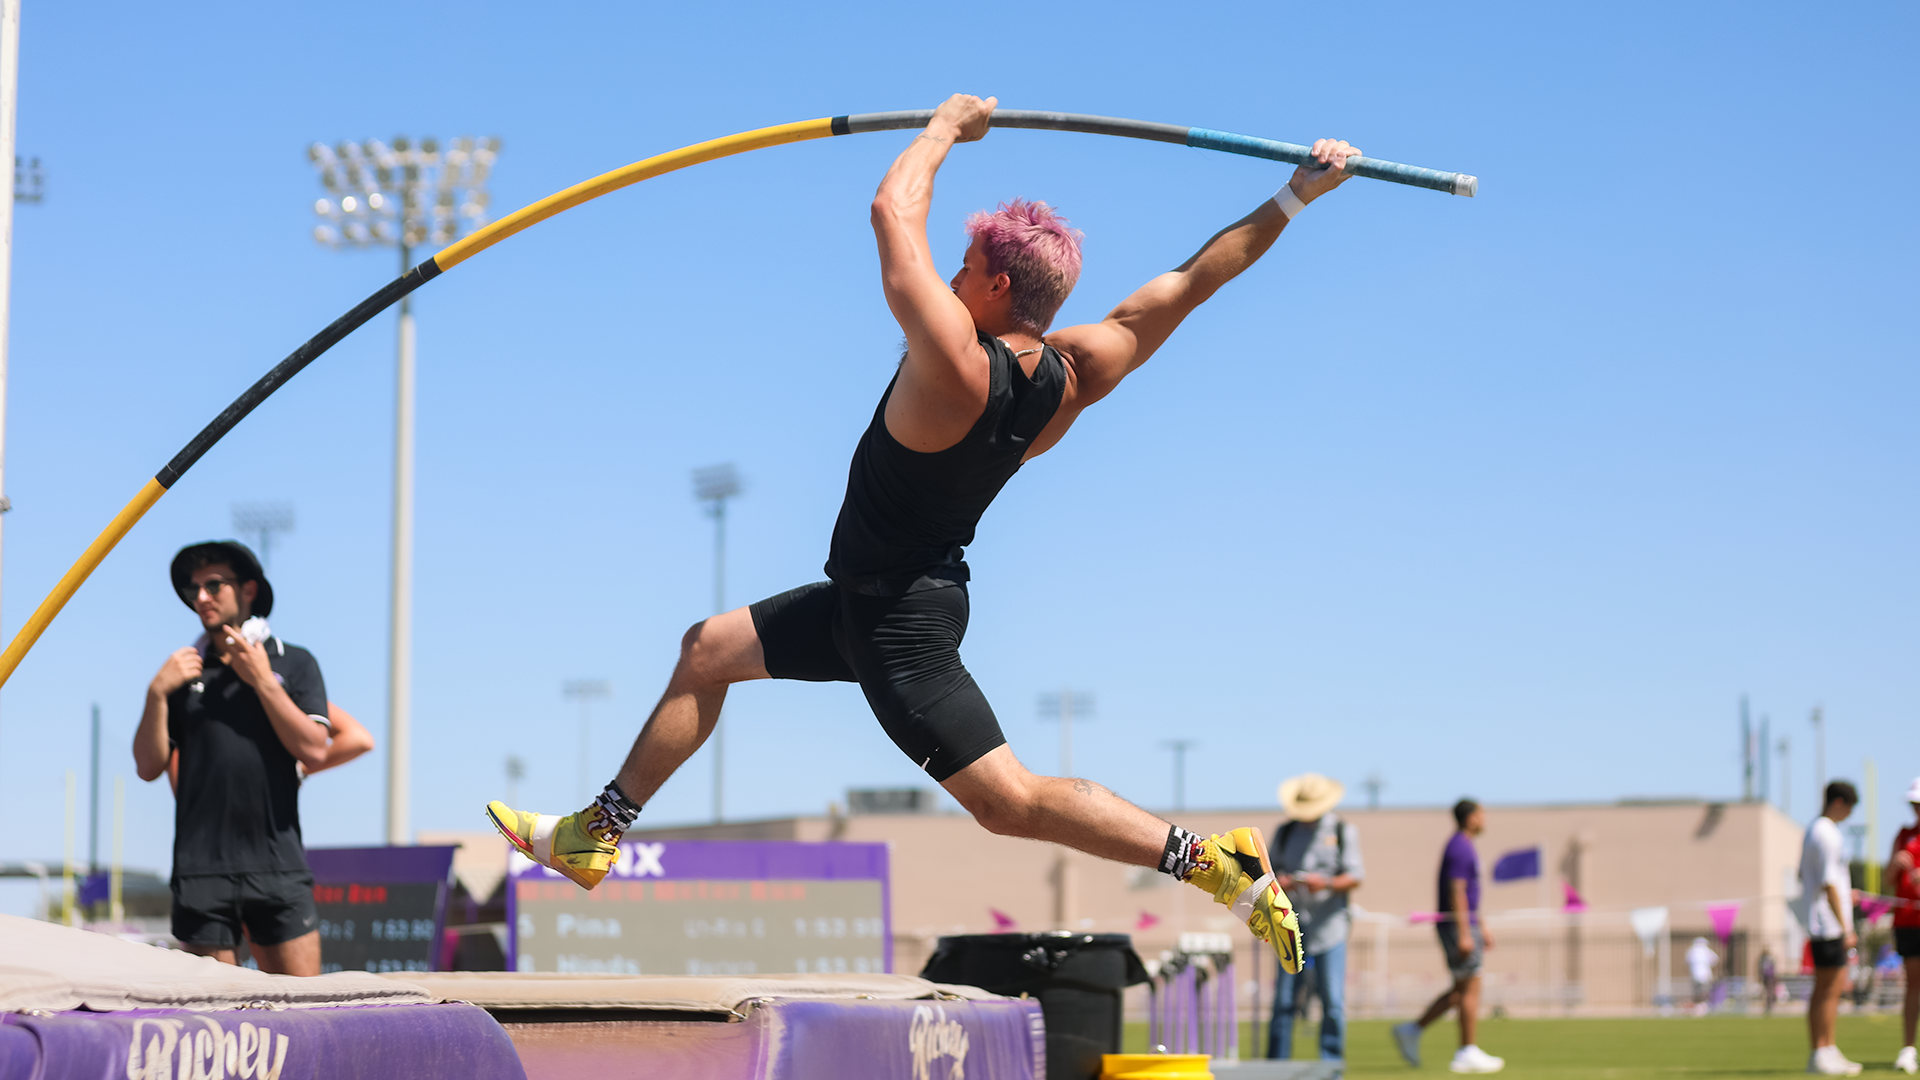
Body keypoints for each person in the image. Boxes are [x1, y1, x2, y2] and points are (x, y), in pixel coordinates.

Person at [485, 94, 1372, 972]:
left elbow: (890, 211)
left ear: (994, 287)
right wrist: (1294, 197)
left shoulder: (953, 363)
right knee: (709, 648)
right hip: (881, 594)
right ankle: (594, 836)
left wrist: (946, 128)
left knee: (1006, 800)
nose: (949, 277)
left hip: (899, 625)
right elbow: (1195, 279)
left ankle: (1213, 862)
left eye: (965, 265)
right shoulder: (1079, 367)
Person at [133, 540, 332, 976]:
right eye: (193, 589)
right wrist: (156, 693)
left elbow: (316, 748)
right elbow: (148, 767)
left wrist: (263, 681)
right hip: (200, 872)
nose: (200, 597)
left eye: (213, 585)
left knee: (307, 1016)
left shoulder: (294, 663)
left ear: (248, 590)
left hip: (277, 866)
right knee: (213, 1023)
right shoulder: (182, 673)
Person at [1393, 799, 1503, 1074]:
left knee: (1458, 991)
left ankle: (1412, 1030)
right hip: (1458, 926)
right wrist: (1466, 933)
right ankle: (1466, 1050)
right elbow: (1457, 891)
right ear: (1471, 818)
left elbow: (1470, 896)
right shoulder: (1460, 847)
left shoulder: (1464, 846)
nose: (1485, 818)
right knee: (1469, 987)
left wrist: (1482, 925)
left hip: (1464, 923)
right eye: (1481, 814)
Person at [1267, 773, 1364, 1062]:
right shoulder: (1284, 833)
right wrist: (1283, 882)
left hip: (1329, 928)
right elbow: (1267, 876)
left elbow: (1355, 876)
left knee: (1332, 1001)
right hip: (1290, 927)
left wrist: (1327, 884)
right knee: (1284, 1001)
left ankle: (1331, 1067)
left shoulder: (1344, 831)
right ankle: (1276, 1067)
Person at [1795, 780, 1862, 1075]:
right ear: (1839, 803)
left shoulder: (1813, 830)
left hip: (1822, 920)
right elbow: (1828, 882)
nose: (1849, 815)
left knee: (1824, 989)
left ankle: (1825, 1049)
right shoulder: (1827, 833)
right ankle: (1822, 1051)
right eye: (1849, 808)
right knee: (1830, 989)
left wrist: (1848, 897)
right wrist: (1846, 927)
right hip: (1828, 924)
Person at [1889, 776, 1920, 1075]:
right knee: (1914, 984)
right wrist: (1895, 865)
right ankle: (1908, 1048)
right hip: (1908, 922)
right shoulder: (1903, 835)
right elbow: (1888, 881)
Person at [1685, 936, 1719, 1013]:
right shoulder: (1700, 951)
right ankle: (1701, 1005)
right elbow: (1715, 959)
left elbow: (1687, 962)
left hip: (1699, 975)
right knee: (1702, 991)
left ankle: (1701, 1005)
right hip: (1703, 975)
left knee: (1701, 991)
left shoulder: (1693, 951)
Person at [1758, 947, 1780, 1017]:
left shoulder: (1766, 959)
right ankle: (1768, 1005)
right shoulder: (1765, 959)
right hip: (1768, 977)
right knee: (1768, 992)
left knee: (1769, 992)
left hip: (1769, 977)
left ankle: (1769, 1005)